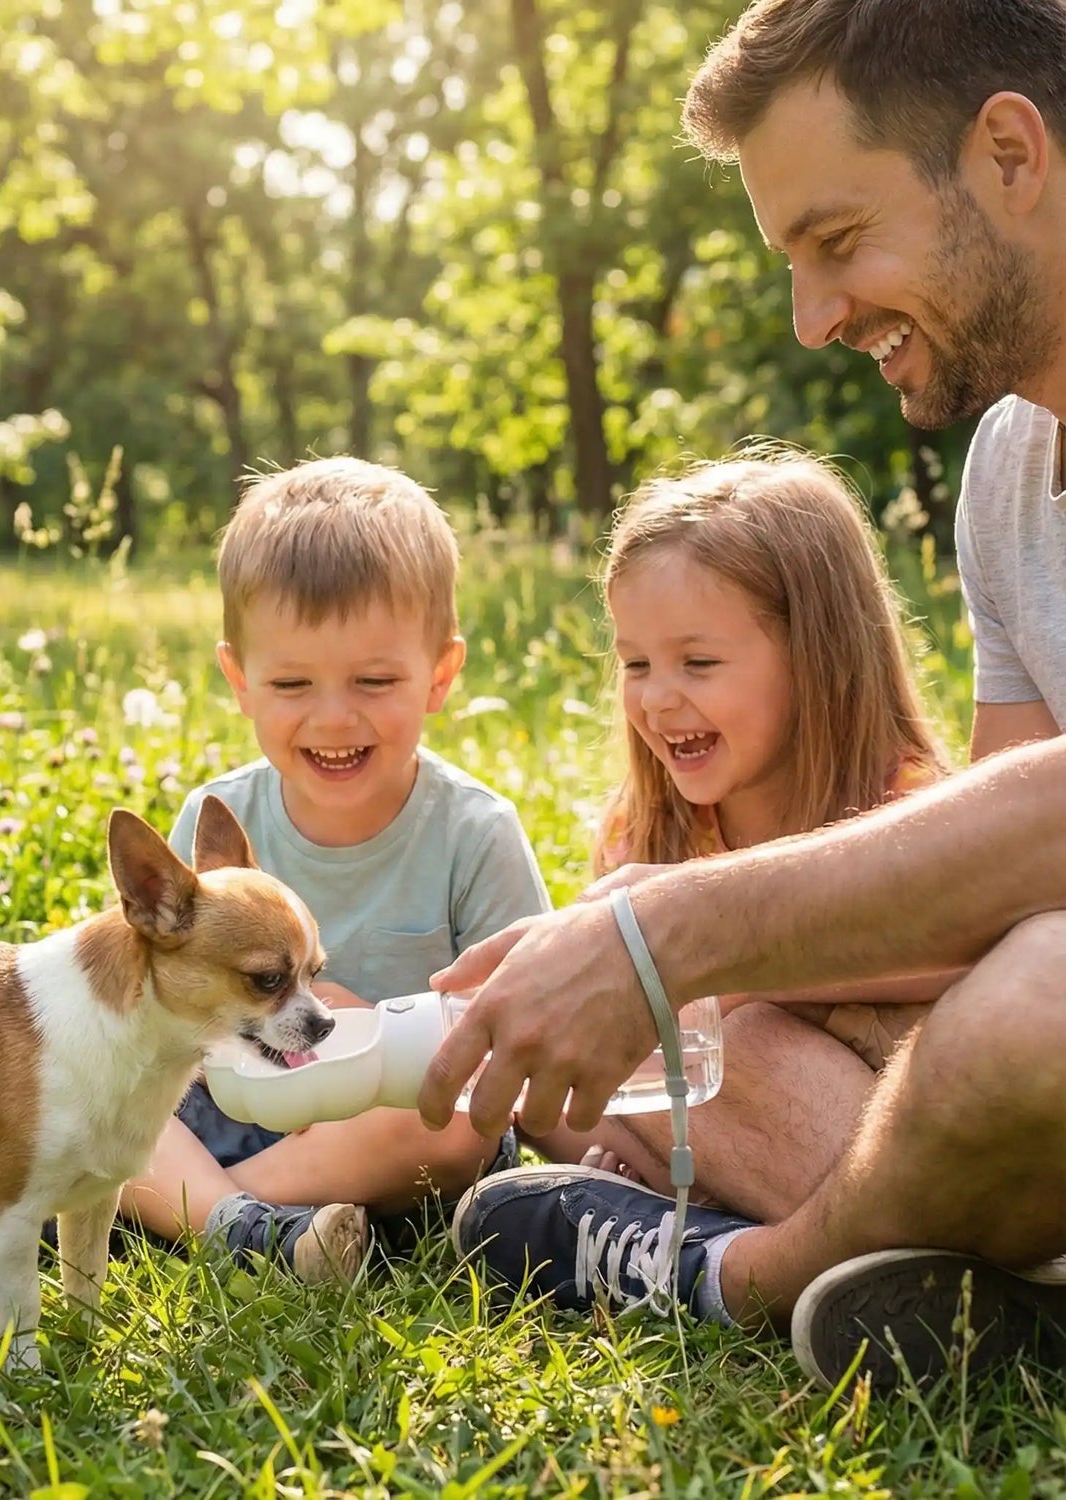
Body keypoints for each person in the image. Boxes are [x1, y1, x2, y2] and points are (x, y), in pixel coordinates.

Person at [429, 0, 1066, 1390]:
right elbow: (992, 885)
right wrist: (670, 966)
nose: (815, 319)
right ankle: (995, 1289)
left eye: (839, 242)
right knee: (763, 1043)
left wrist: (674, 930)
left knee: (1038, 1005)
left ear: (1011, 154)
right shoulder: (1011, 474)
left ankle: (737, 1274)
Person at [117, 456, 551, 1283]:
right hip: (241, 1099)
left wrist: (364, 1027)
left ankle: (201, 1213)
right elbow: (158, 1009)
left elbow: (517, 1039)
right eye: (291, 683)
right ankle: (261, 1232)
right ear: (241, 682)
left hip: (394, 1126)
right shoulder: (219, 817)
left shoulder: (474, 833)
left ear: (440, 676)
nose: (334, 717)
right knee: (109, 1086)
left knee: (456, 1125)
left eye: (374, 681)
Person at [521, 449, 951, 1208]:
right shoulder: (645, 832)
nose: (657, 699)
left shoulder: (910, 811)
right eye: (636, 665)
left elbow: (958, 951)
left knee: (743, 1040)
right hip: (714, 1127)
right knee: (548, 1067)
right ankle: (679, 1202)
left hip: (871, 1134)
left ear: (816, 657)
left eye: (698, 662)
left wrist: (738, 966)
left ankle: (736, 1221)